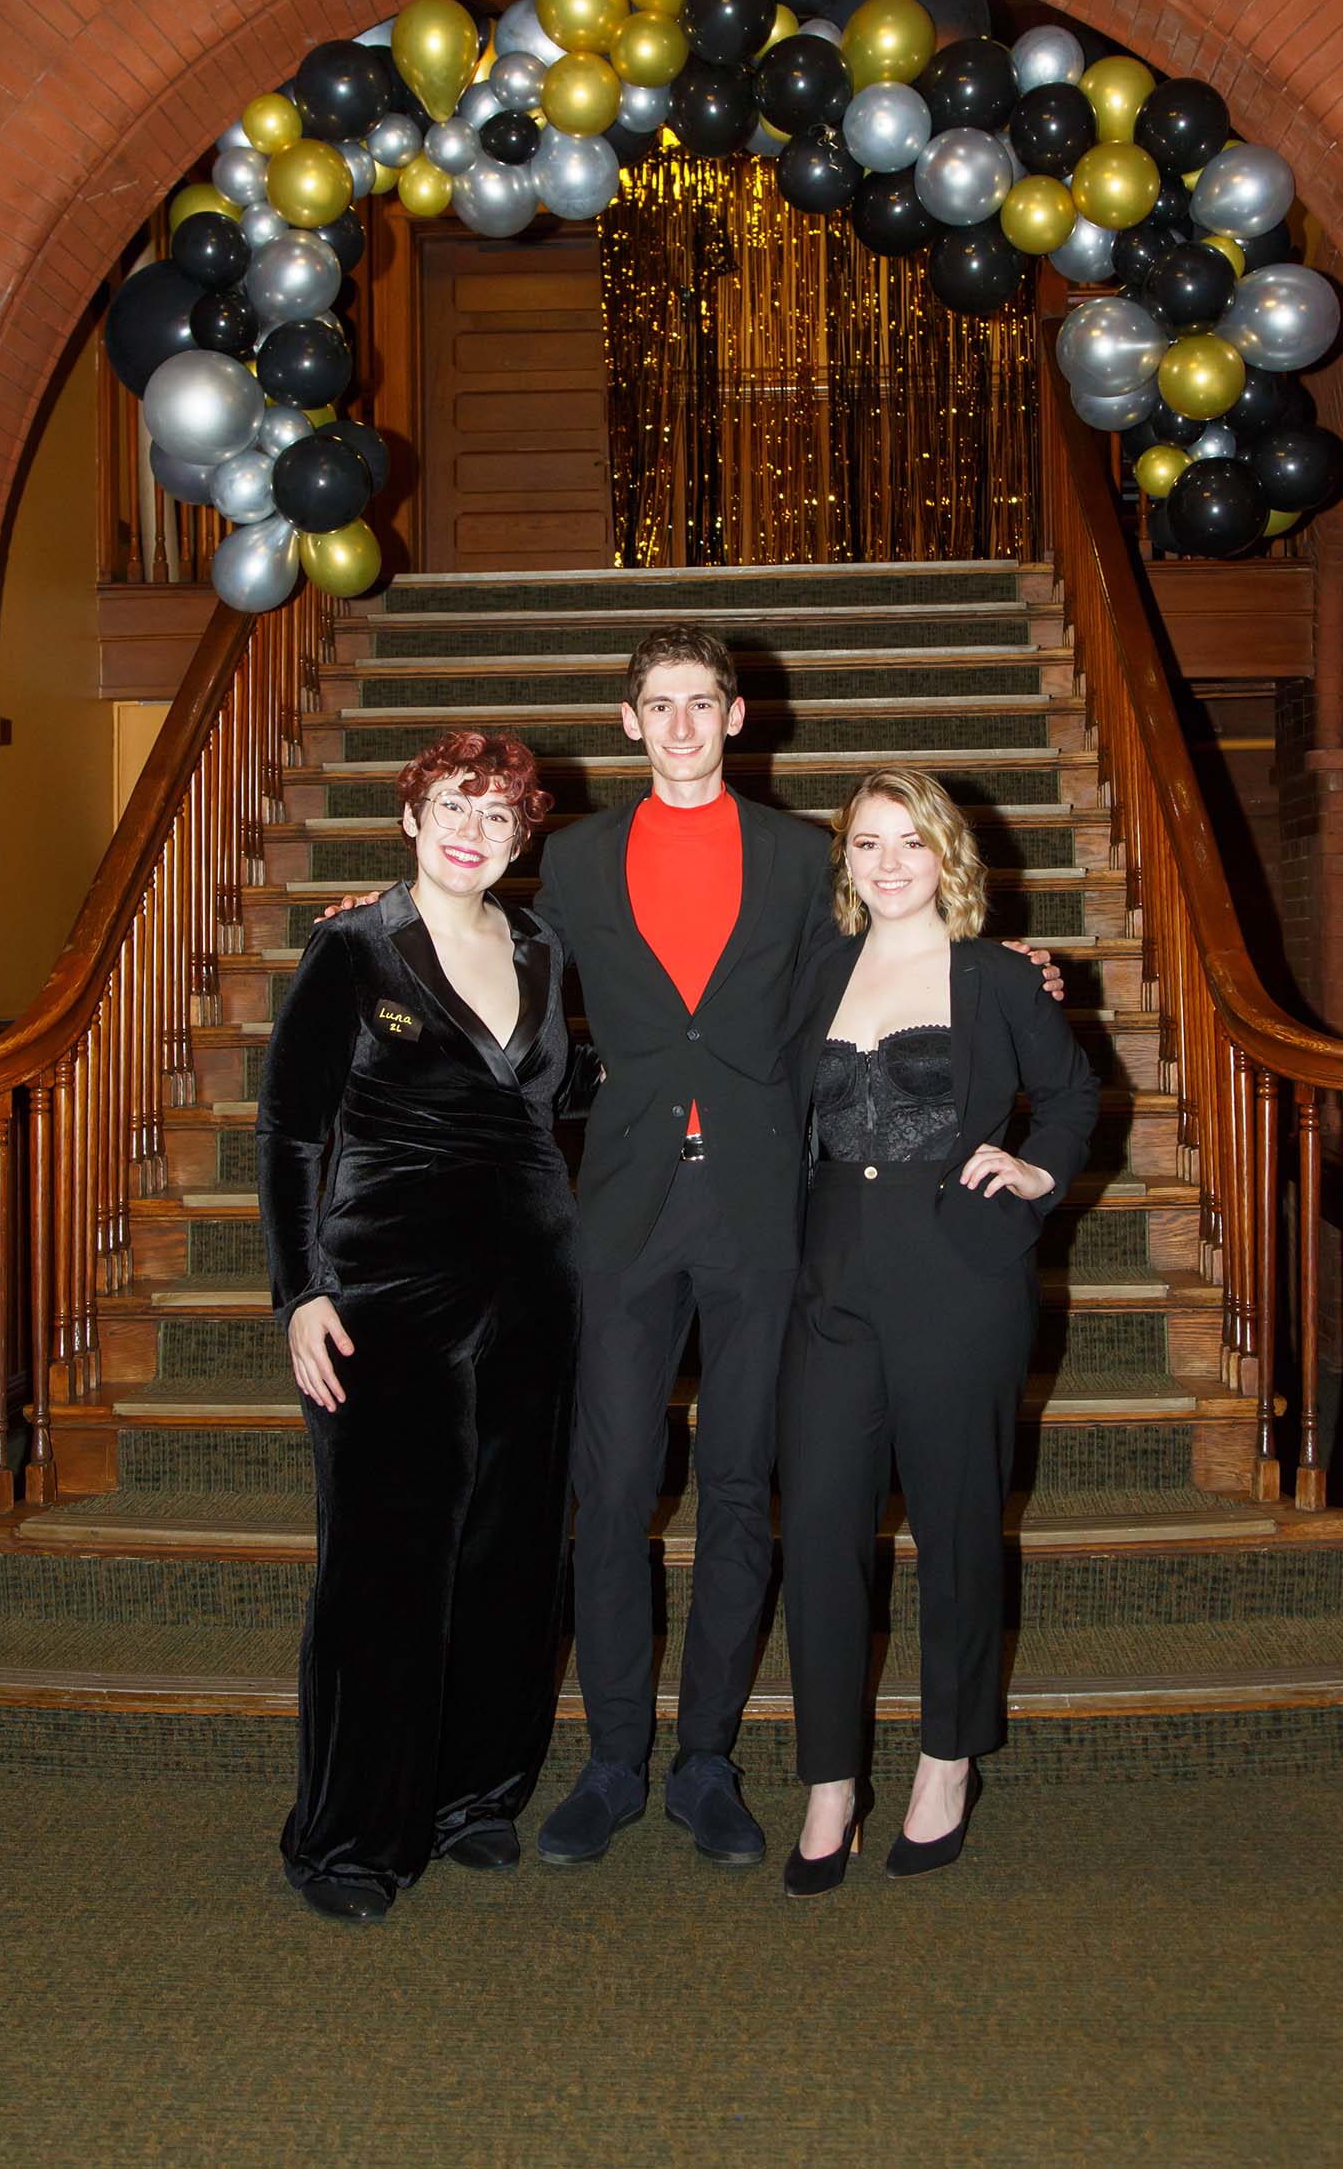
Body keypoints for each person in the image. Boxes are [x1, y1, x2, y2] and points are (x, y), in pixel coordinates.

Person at [329, 626, 1062, 1871]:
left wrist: (1012, 970)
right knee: (607, 1493)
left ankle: (705, 1761)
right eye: (654, 705)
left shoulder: (797, 857)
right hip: (618, 1210)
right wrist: (379, 913)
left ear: (735, 719)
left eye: (698, 704)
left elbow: (893, 949)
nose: (677, 725)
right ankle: (612, 1758)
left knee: (734, 1488)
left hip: (766, 1214)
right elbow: (475, 916)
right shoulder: (571, 856)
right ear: (627, 723)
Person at [257, 727, 588, 1921]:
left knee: (510, 1545)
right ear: (408, 817)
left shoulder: (545, 946)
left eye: (499, 816)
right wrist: (300, 1294)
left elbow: (561, 1098)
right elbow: (292, 1136)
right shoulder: (352, 945)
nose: (472, 830)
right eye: (454, 804)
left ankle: (472, 1793)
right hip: (384, 1291)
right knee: (383, 1560)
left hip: (538, 1288)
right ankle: (349, 1839)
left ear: (518, 839)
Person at [776, 767, 1099, 1898]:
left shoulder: (994, 977)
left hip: (957, 1272)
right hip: (828, 1277)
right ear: (847, 863)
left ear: (945, 855)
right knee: (816, 1526)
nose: (889, 861)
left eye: (910, 840)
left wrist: (1036, 1167)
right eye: (867, 843)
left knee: (956, 1524)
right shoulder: (814, 969)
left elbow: (1070, 1097)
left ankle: (946, 1759)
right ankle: (827, 1780)